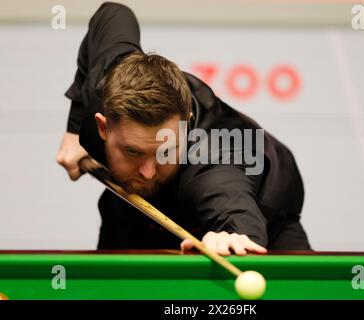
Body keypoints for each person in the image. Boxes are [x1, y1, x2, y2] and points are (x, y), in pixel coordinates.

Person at [56, 2, 311, 255]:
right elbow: (112, 12)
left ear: (186, 124)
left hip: (265, 215)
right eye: (133, 151)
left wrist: (232, 237)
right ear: (103, 126)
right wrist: (75, 130)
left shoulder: (214, 162)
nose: (147, 172)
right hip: (135, 209)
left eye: (165, 151)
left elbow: (233, 209)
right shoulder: (105, 85)